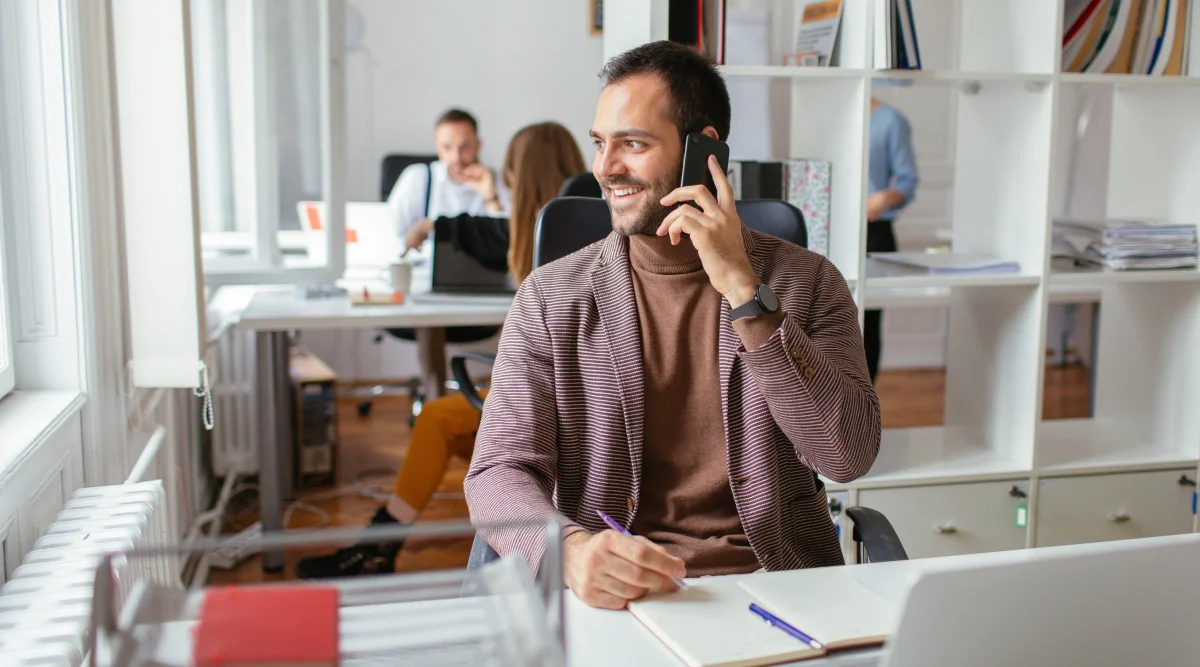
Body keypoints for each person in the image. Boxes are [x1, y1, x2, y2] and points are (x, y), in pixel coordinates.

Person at [464, 41, 881, 610]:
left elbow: (846, 455)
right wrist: (573, 552)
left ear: (702, 152)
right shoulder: (551, 297)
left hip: (776, 584)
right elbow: (496, 473)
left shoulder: (809, 283)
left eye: (632, 144)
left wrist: (745, 295)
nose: (606, 168)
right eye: (599, 143)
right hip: (619, 594)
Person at [296, 122, 587, 580]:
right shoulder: (581, 230)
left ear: (518, 170)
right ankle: (381, 546)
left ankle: (380, 547)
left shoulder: (546, 239)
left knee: (437, 419)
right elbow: (478, 230)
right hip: (560, 398)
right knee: (444, 425)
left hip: (556, 405)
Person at [385, 108, 511, 238]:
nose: (456, 157)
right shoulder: (417, 178)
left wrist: (491, 199)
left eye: (464, 147)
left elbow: (512, 240)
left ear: (478, 145)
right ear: (437, 147)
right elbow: (390, 235)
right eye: (447, 147)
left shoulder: (500, 181)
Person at [864, 95, 919, 382]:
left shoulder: (890, 120)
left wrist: (884, 198)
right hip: (829, 229)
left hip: (874, 233)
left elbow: (908, 181)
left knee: (868, 325)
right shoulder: (825, 109)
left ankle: (863, 410)